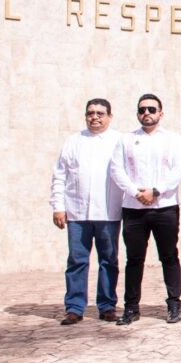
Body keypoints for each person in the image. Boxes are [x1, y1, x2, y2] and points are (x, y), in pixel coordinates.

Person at [108, 93, 181, 325]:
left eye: (152, 110)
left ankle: (174, 304)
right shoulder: (126, 139)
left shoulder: (173, 139)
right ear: (137, 113)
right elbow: (117, 169)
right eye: (142, 110)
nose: (147, 113)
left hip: (164, 207)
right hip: (134, 208)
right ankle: (131, 308)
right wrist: (135, 192)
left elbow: (178, 169)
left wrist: (156, 191)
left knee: (169, 256)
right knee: (134, 259)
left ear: (161, 113)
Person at [50, 98, 123, 325]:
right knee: (77, 260)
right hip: (77, 212)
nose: (95, 117)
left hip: (108, 212)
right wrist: (58, 207)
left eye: (100, 113)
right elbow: (59, 176)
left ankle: (107, 305)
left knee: (108, 260)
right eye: (91, 113)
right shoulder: (73, 141)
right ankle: (74, 307)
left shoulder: (119, 141)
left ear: (110, 116)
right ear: (85, 116)